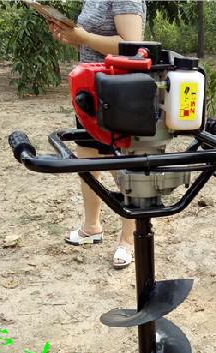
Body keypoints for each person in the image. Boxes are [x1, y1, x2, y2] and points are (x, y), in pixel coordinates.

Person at [49, 1, 146, 269]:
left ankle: (129, 239)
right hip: (89, 89)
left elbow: (132, 46)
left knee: (123, 167)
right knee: (87, 160)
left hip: (117, 91)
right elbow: (92, 41)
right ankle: (91, 226)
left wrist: (83, 37)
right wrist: (72, 38)